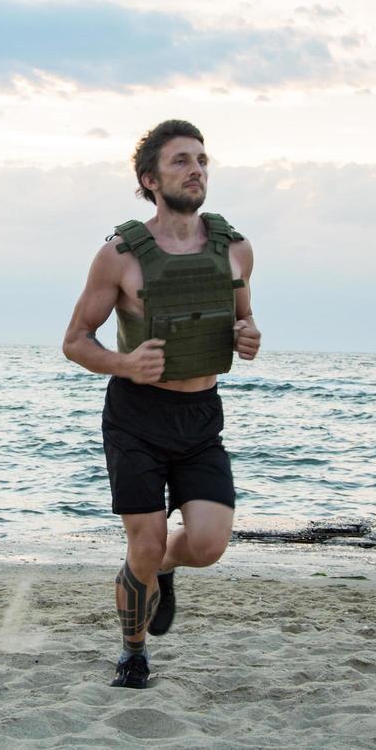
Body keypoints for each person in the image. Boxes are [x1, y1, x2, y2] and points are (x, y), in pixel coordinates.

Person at [62, 119, 261, 689]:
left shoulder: (235, 248)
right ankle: (134, 649)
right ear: (150, 179)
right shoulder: (119, 255)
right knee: (142, 542)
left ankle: (164, 570)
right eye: (180, 161)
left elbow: (244, 320)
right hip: (137, 416)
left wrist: (248, 337)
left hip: (201, 415)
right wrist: (124, 362)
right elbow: (75, 340)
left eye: (202, 159)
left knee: (206, 545)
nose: (196, 169)